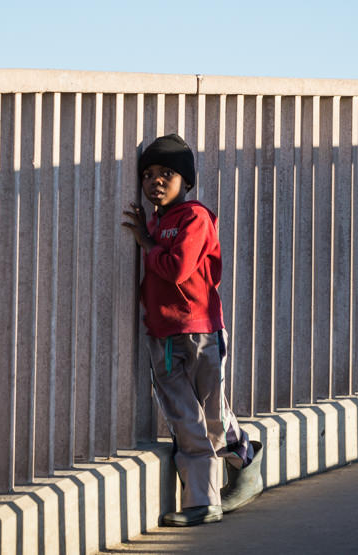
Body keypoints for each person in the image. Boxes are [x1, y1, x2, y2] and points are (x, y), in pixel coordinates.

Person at [121, 133, 263, 527]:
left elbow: (178, 269)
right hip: (162, 336)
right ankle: (204, 502)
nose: (156, 181)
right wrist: (148, 237)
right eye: (148, 174)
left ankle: (244, 456)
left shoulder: (195, 218)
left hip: (201, 331)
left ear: (186, 180)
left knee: (213, 414)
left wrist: (147, 243)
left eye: (167, 173)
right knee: (185, 419)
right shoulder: (155, 221)